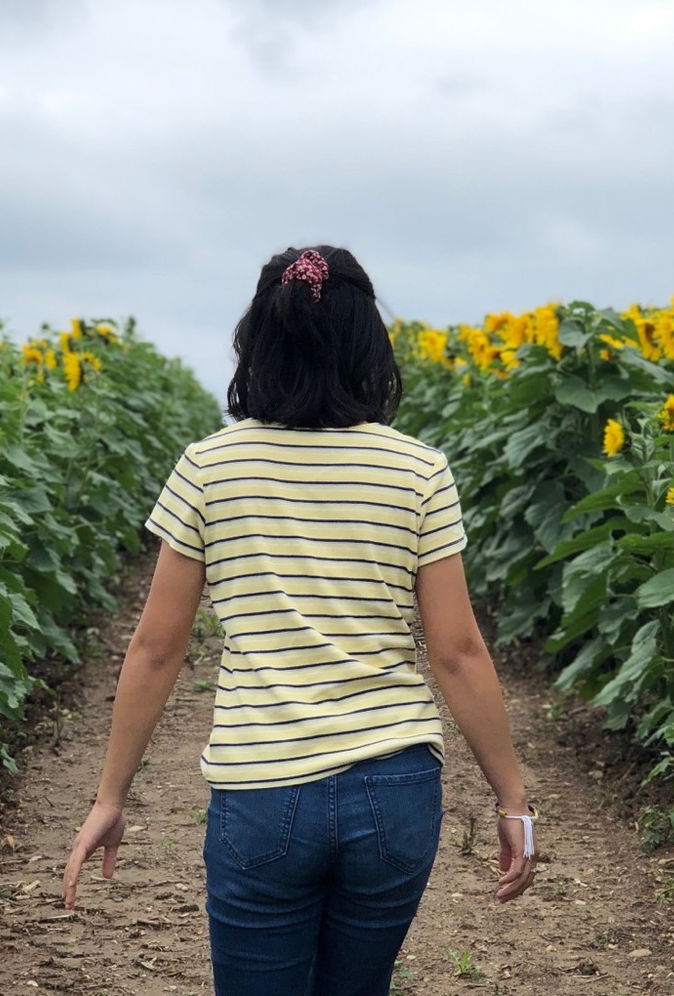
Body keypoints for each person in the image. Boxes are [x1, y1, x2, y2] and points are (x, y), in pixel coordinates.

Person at [62, 246, 538, 996]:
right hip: (396, 784)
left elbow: (157, 648)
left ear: (258, 342)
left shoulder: (209, 467)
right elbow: (457, 652)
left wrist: (110, 798)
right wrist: (513, 801)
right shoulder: (419, 470)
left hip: (261, 792)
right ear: (367, 343)